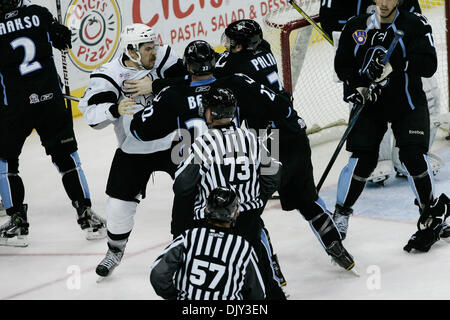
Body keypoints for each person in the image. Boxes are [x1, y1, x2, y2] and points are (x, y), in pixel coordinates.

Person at [127, 39, 356, 273]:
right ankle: (276, 270)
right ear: (213, 62)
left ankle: (193, 281)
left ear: (187, 66)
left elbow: (138, 131)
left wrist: (149, 97)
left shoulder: (171, 95)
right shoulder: (235, 83)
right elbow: (281, 104)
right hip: (235, 168)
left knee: (187, 235)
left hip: (195, 176)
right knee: (252, 223)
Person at [214, 19, 356, 275]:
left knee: (249, 208)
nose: (229, 47)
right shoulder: (265, 48)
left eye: (233, 44)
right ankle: (334, 243)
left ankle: (270, 269)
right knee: (308, 199)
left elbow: (212, 74)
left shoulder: (235, 65)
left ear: (243, 47)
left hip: (270, 142)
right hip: (295, 131)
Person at [332, 0, 449, 251]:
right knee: (362, 159)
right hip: (371, 105)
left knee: (412, 155)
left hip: (407, 102)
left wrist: (397, 64)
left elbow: (429, 65)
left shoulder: (415, 24)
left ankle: (430, 213)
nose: (384, 3)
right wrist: (355, 88)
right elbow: (343, 67)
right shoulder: (356, 26)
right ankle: (341, 214)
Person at [78, 23, 180, 278]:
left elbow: (192, 82)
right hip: (134, 147)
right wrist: (115, 109)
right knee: (117, 208)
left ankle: (191, 245)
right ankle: (115, 250)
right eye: (147, 49)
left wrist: (155, 86)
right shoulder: (109, 75)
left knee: (198, 189)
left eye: (154, 46)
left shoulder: (165, 57)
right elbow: (91, 116)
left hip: (176, 140)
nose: (154, 53)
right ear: (132, 51)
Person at [0, 0, 106, 247]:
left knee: (5, 162)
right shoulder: (39, 13)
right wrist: (62, 34)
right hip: (50, 100)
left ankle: (17, 223)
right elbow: (62, 40)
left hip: (14, 107)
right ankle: (86, 214)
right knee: (68, 158)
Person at [172, 87, 285, 299]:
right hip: (248, 220)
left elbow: (182, 186)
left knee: (214, 283)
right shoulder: (251, 138)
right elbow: (274, 174)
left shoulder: (202, 144)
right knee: (262, 279)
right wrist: (256, 201)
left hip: (211, 225)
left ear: (209, 113)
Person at [320, 0, 443, 185]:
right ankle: (377, 158)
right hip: (365, 51)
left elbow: (412, 14)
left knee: (430, 92)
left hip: (399, 53)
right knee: (370, 97)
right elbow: (330, 21)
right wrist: (356, 36)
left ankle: (409, 153)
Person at [150, 187, 266, 300]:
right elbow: (258, 293)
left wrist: (175, 296)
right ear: (235, 214)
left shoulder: (189, 237)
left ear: (206, 209)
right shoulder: (242, 247)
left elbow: (158, 273)